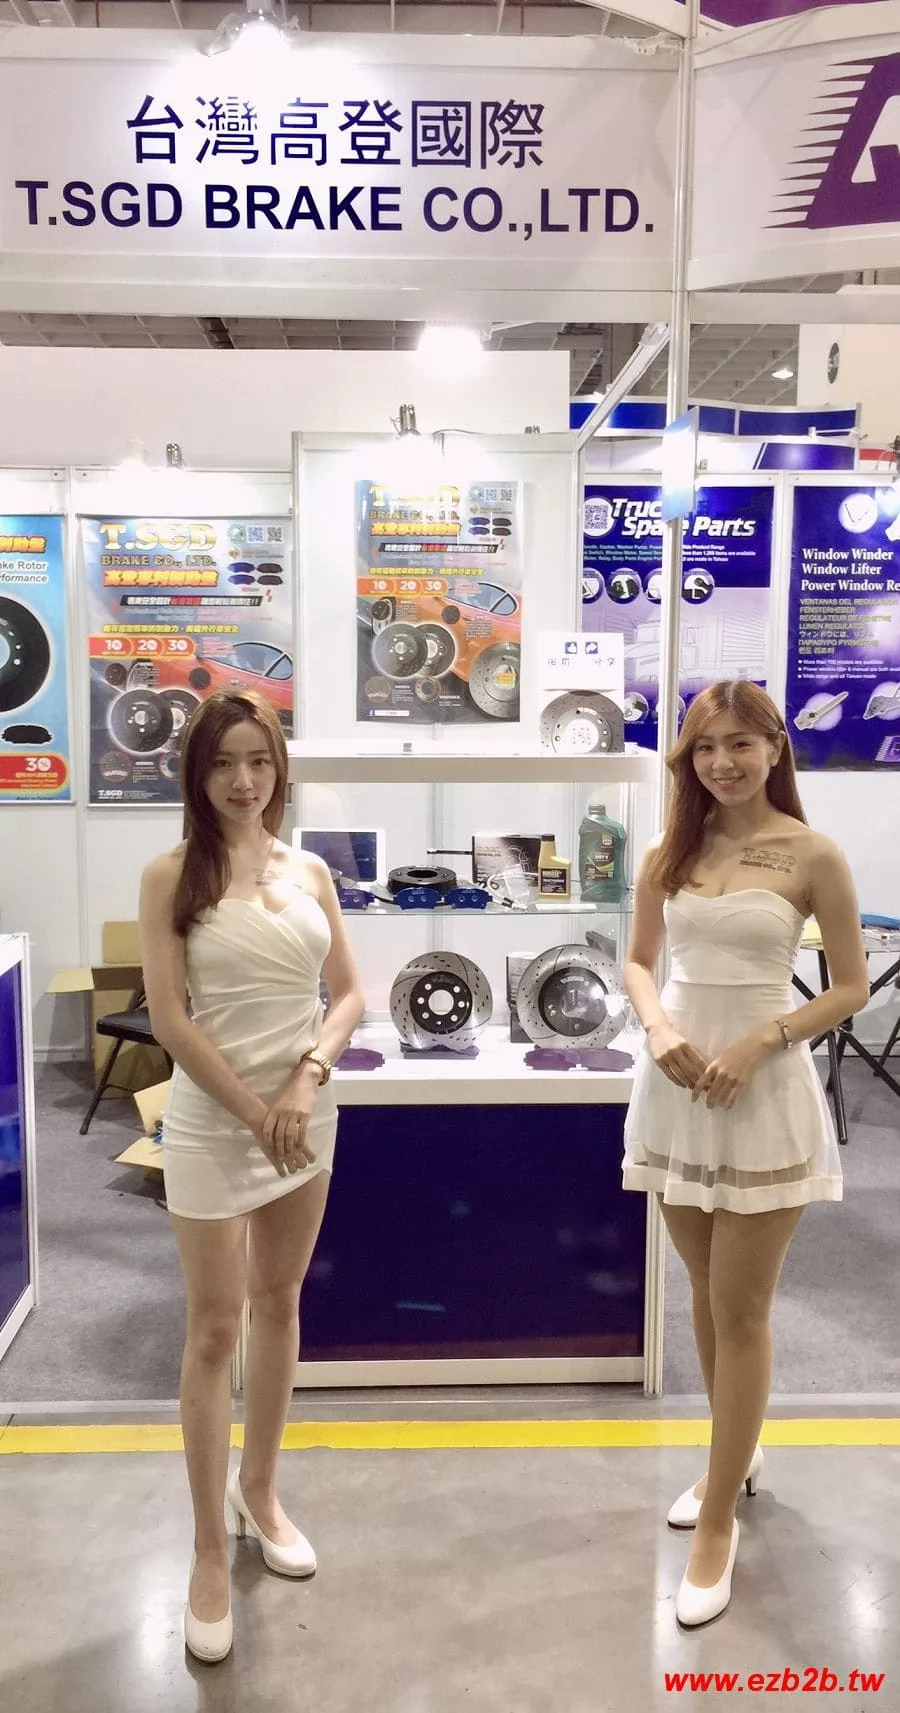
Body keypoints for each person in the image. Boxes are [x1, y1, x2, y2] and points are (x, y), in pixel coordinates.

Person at [622, 681, 868, 1629]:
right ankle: (738, 1448)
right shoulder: (670, 850)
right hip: (678, 1088)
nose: (722, 762)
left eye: (739, 744)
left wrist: (766, 1037)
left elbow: (849, 987)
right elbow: (639, 959)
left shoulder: (814, 854)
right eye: (704, 747)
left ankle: (718, 1517)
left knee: (742, 1305)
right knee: (703, 1287)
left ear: (774, 747)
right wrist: (656, 1027)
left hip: (762, 1093)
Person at [139, 689, 365, 1664]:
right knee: (212, 1327)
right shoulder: (170, 875)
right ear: (198, 774)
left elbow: (349, 994)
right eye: (224, 762)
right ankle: (203, 1545)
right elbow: (170, 1020)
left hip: (302, 1117)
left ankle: (259, 1491)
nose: (244, 780)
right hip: (213, 1121)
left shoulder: (309, 868)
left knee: (280, 1303)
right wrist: (254, 1111)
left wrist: (306, 1081)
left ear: (280, 768)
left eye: (259, 760)